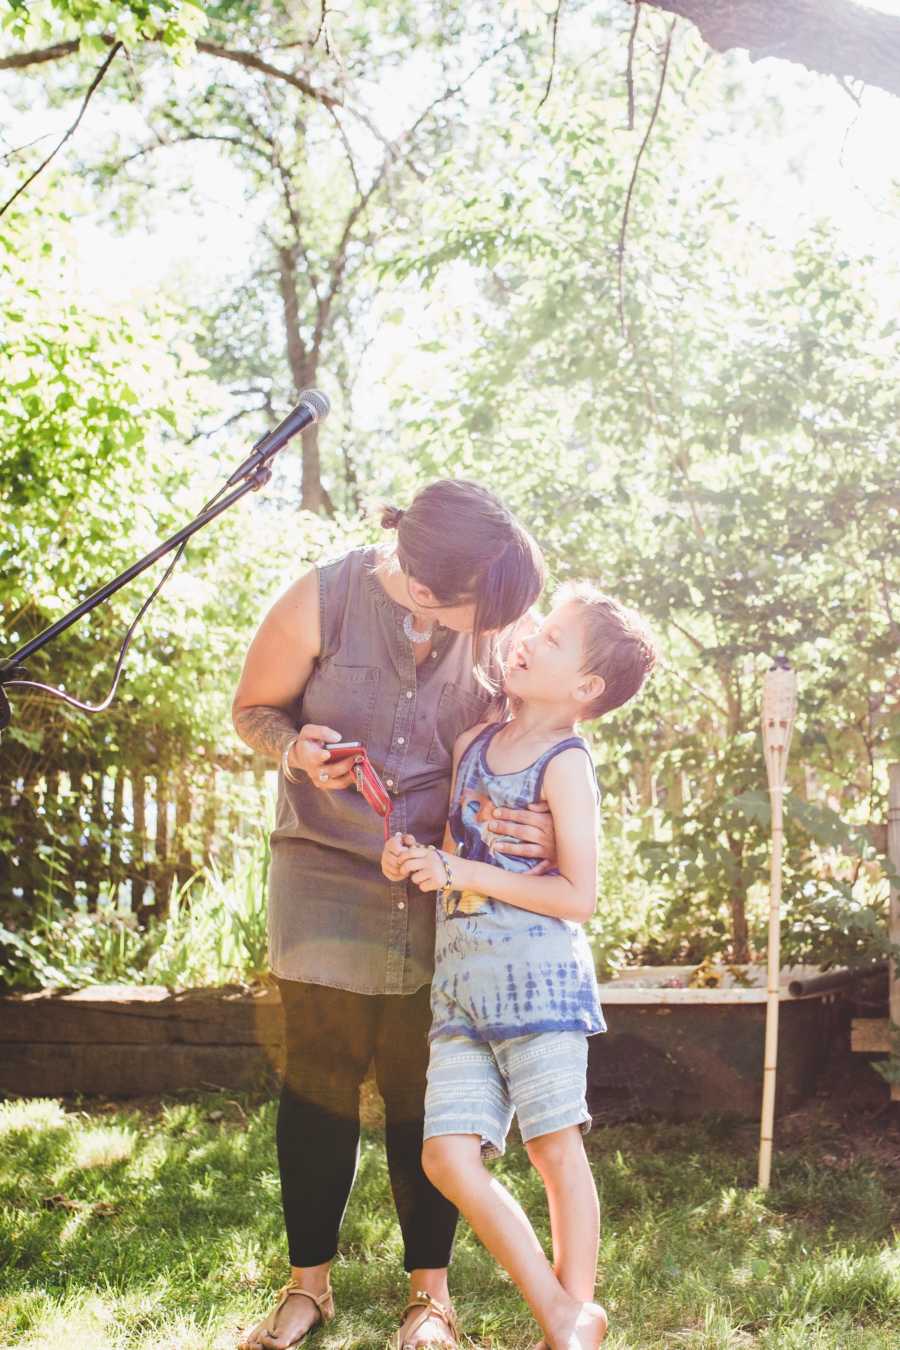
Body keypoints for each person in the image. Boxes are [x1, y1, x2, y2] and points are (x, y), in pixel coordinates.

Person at [232, 480, 552, 1350]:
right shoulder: (321, 600)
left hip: (443, 883)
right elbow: (253, 712)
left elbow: (543, 731)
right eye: (469, 609)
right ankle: (309, 1289)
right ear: (419, 585)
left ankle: (430, 1299)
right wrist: (292, 748)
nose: (485, 628)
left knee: (426, 1093)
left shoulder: (496, 619)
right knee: (319, 1086)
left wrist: (539, 807)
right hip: (324, 875)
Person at [382, 583, 657, 1350]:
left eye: (556, 639)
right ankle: (566, 1313)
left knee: (552, 1147)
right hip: (461, 993)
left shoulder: (566, 764)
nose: (530, 638)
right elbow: (454, 847)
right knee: (445, 1157)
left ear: (586, 688)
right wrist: (414, 858)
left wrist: (459, 872)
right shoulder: (474, 742)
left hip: (539, 988)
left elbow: (579, 894)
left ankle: (566, 1321)